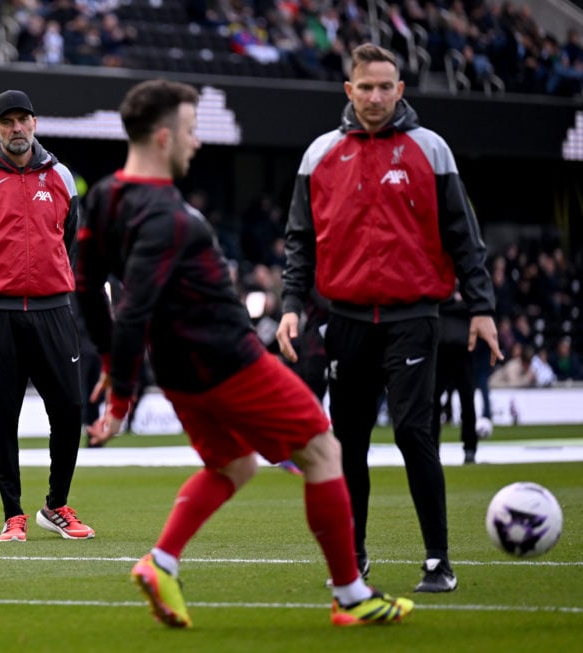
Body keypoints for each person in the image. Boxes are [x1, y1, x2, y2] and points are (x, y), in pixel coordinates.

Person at [78, 79, 412, 629]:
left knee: (233, 464)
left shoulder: (104, 196)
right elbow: (131, 309)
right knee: (323, 451)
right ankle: (352, 595)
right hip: (229, 362)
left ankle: (161, 562)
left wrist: (115, 366)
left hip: (181, 372)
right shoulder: (169, 217)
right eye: (190, 131)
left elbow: (87, 287)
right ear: (164, 138)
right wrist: (120, 398)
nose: (197, 143)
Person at [275, 43, 502, 594]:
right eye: (365, 87)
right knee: (345, 443)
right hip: (345, 318)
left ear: (400, 90)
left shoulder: (431, 149)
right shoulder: (320, 155)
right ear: (348, 91)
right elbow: (300, 242)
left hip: (414, 317)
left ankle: (437, 561)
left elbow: (464, 238)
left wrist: (482, 309)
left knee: (413, 433)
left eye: (385, 87)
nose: (375, 97)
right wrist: (289, 305)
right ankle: (353, 560)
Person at [0, 89, 93, 542]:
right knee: (2, 414)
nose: (16, 128)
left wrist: (50, 279)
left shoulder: (62, 177)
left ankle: (56, 505)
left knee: (69, 408)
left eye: (23, 120)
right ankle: (13, 514)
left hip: (53, 310)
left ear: (35, 123)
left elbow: (69, 240)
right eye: (7, 121)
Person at [432, 293, 478, 465]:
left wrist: (449, 303)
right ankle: (433, 448)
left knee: (467, 400)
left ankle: (470, 448)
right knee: (434, 402)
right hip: (442, 351)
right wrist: (454, 302)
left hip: (461, 351)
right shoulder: (451, 289)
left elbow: (474, 305)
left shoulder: (467, 286)